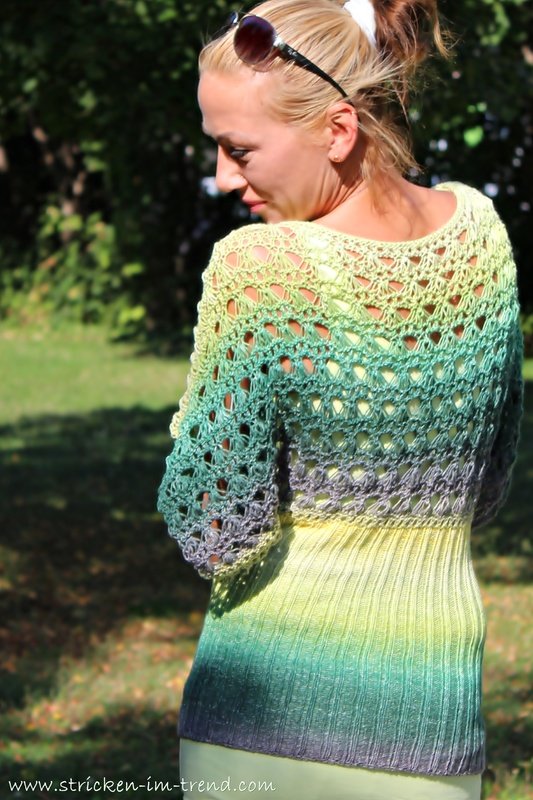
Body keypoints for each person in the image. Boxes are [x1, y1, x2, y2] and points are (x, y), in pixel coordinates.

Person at [157, 1, 523, 798]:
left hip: (263, 719)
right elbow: (488, 484)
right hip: (430, 719)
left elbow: (213, 530)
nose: (223, 177)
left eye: (238, 149)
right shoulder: (481, 233)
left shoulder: (261, 269)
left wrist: (200, 427)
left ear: (337, 130)